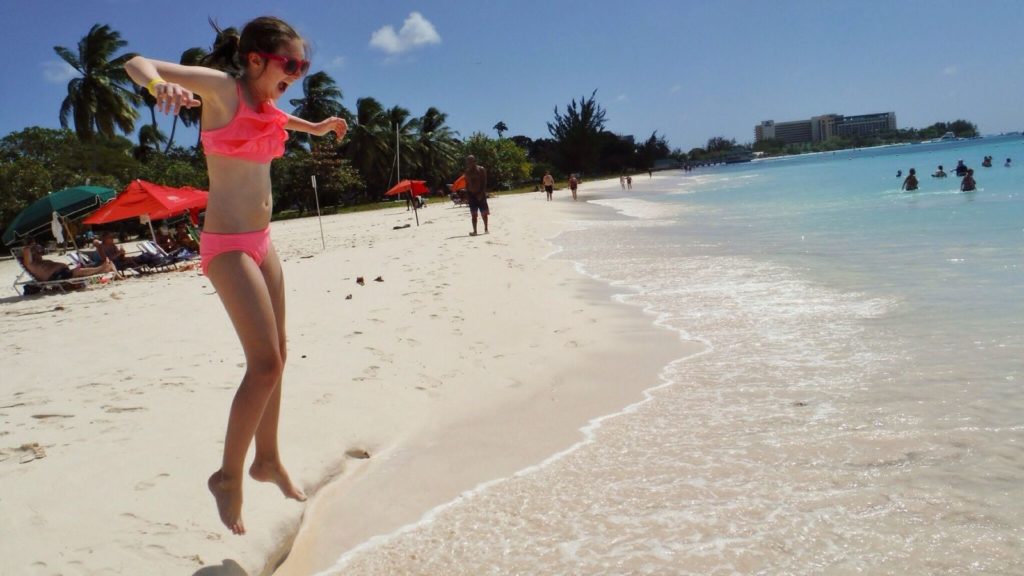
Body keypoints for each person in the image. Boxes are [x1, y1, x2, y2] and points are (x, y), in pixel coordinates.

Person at [125, 15, 348, 535]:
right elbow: (134, 62)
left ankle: (266, 459)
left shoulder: (268, 105)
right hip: (227, 247)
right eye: (288, 63)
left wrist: (314, 127)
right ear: (254, 59)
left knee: (281, 354)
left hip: (263, 243)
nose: (296, 71)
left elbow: (278, 121)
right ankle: (228, 476)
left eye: (302, 65)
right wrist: (160, 85)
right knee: (264, 365)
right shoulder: (223, 90)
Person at [20, 238, 116, 283]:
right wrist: (30, 245)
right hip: (55, 277)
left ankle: (102, 269)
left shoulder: (39, 262)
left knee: (79, 271)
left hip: (62, 272)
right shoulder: (30, 264)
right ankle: (101, 268)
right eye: (34, 251)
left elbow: (33, 252)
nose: (37, 252)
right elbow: (26, 250)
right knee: (78, 271)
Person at [464, 155, 489, 235]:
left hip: (480, 194)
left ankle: (486, 229)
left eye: (471, 161)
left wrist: (481, 193)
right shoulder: (467, 172)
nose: (469, 163)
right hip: (471, 195)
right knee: (473, 214)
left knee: (484, 213)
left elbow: (484, 182)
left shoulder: (481, 169)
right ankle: (475, 231)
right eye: (468, 161)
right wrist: (467, 195)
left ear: (475, 161)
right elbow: (467, 184)